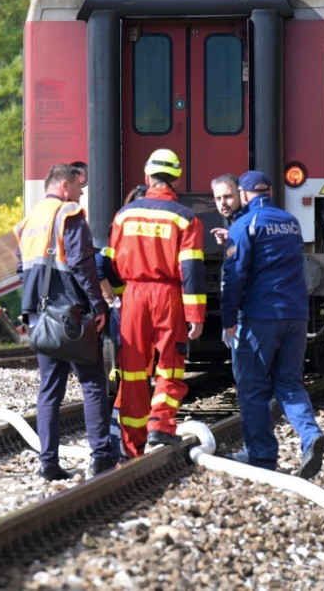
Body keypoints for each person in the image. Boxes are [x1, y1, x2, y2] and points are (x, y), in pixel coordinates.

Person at [221, 170, 324, 478]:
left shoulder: (246, 224)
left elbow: (235, 276)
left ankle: (262, 456)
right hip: (295, 315)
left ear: (244, 195)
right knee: (289, 383)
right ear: (269, 192)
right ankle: (310, 436)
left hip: (261, 317)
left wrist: (229, 320)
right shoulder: (291, 222)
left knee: (253, 386)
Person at [14, 163, 118, 481]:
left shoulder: (27, 223)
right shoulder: (68, 215)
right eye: (77, 187)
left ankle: (48, 463)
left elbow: (22, 270)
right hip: (72, 318)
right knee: (92, 384)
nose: (80, 194)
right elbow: (82, 264)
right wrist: (99, 307)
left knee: (49, 391)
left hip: (40, 321)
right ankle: (100, 457)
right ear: (63, 186)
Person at [106, 148, 205, 455]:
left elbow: (110, 263)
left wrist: (120, 300)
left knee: (133, 369)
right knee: (170, 366)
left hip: (133, 296)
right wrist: (196, 315)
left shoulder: (124, 215)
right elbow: (190, 269)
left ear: (147, 177)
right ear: (177, 178)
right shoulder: (186, 219)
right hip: (167, 296)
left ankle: (132, 441)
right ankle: (160, 427)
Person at [210, 173, 241, 246]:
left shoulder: (252, 220)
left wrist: (233, 237)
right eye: (218, 198)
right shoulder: (227, 219)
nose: (222, 202)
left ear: (240, 195)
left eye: (227, 197)